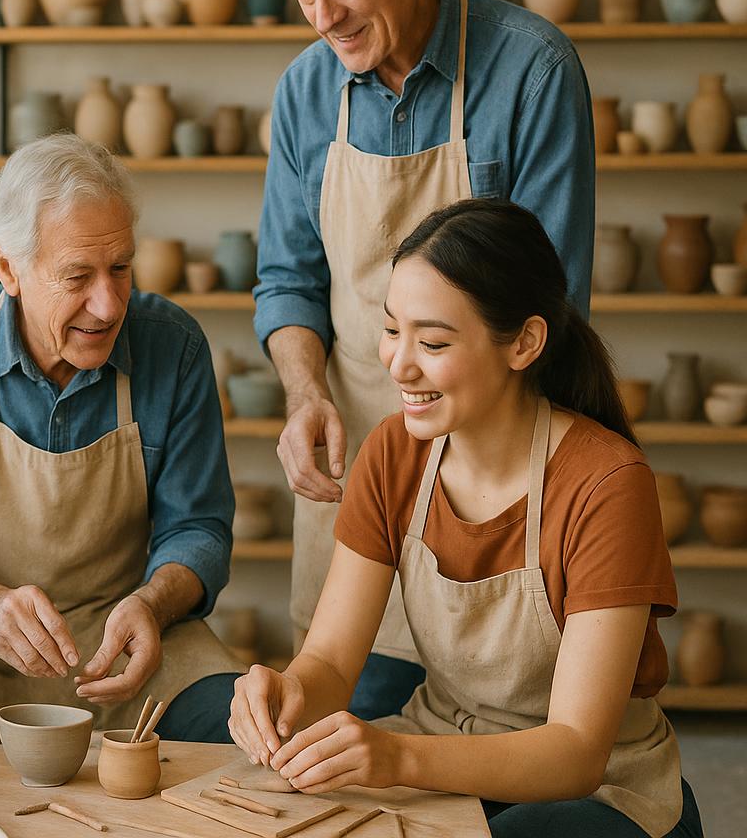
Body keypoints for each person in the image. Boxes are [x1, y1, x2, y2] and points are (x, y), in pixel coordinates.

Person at [228, 198, 704, 838]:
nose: (398, 364)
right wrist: (284, 695)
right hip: (441, 751)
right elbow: (334, 664)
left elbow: (575, 752)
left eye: (433, 341)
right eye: (392, 330)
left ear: (525, 343)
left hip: (597, 792)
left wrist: (396, 756)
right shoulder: (393, 453)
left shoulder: (606, 483)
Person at [252, 0, 596, 719]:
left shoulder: (531, 72)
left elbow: (550, 311)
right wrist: (304, 393)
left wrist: (459, 482)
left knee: (498, 749)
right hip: (355, 461)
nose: (322, 15)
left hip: (496, 475)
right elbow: (287, 281)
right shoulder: (302, 93)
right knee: (344, 735)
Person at [0, 134, 242, 792]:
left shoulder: (172, 346)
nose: (109, 303)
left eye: (121, 268)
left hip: (131, 642)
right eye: (78, 277)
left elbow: (199, 527)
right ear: (7, 268)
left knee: (248, 753)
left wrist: (153, 606)